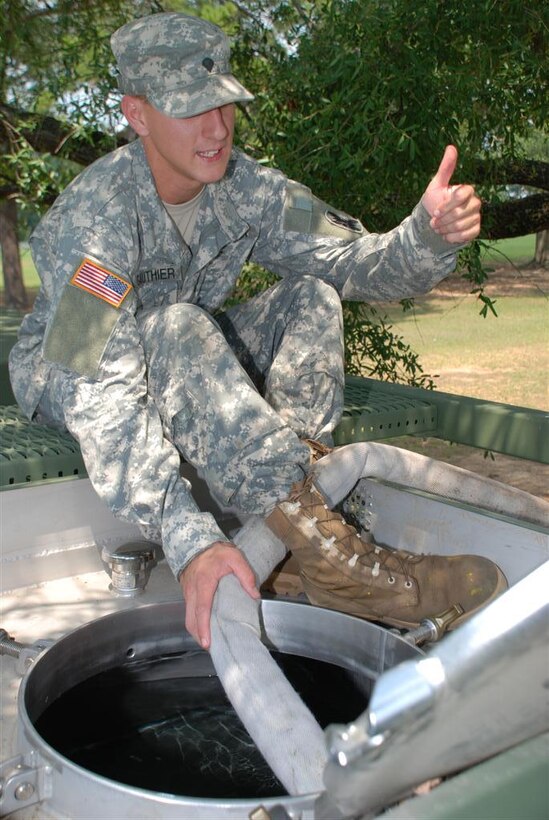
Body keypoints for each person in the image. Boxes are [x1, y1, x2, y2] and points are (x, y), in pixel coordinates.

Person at [9, 12, 506, 651]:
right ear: (138, 114)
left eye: (224, 106)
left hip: (182, 361)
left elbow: (349, 257)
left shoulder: (249, 188)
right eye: (192, 110)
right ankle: (325, 552)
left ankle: (306, 536)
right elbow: (93, 379)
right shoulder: (96, 218)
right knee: (178, 328)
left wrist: (425, 236)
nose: (216, 130)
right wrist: (189, 541)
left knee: (311, 297)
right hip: (74, 381)